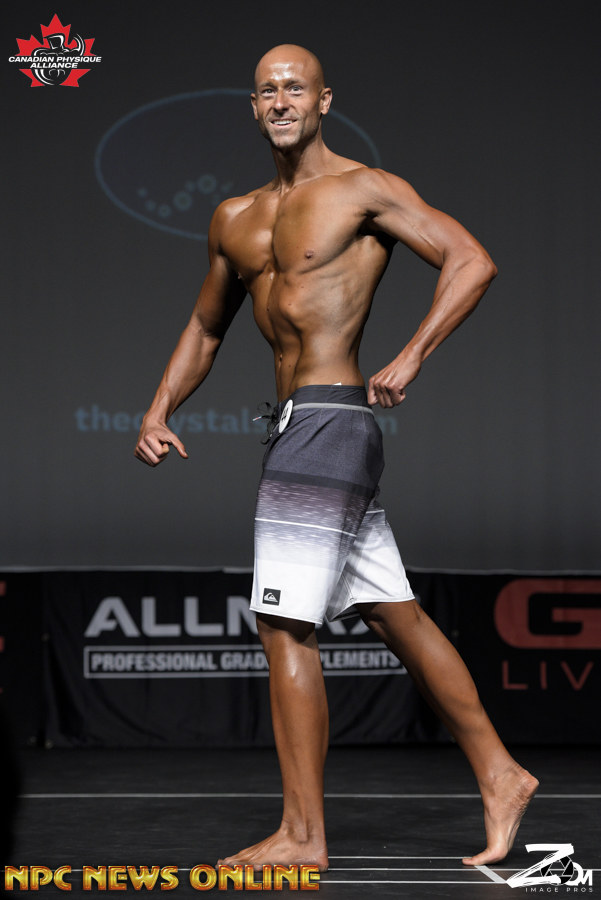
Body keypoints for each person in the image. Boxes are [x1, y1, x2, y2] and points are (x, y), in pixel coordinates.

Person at [135, 44, 538, 871]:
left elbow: (472, 260)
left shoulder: (364, 190)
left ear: (323, 100)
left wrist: (412, 354)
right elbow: (207, 326)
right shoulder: (235, 216)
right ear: (253, 107)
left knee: (283, 623)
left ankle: (301, 836)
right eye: (267, 90)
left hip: (329, 417)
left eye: (295, 87)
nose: (281, 100)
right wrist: (157, 407)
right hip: (296, 425)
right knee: (395, 612)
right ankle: (502, 774)